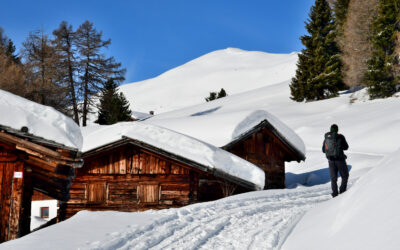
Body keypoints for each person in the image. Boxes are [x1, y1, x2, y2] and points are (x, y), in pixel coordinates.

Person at [322, 124, 349, 197]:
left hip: (331, 161)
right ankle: (342, 191)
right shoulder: (340, 136)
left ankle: (335, 194)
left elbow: (324, 150)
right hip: (340, 160)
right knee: (345, 176)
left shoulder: (326, 138)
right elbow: (346, 147)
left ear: (330, 129)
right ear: (337, 130)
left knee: (333, 178)